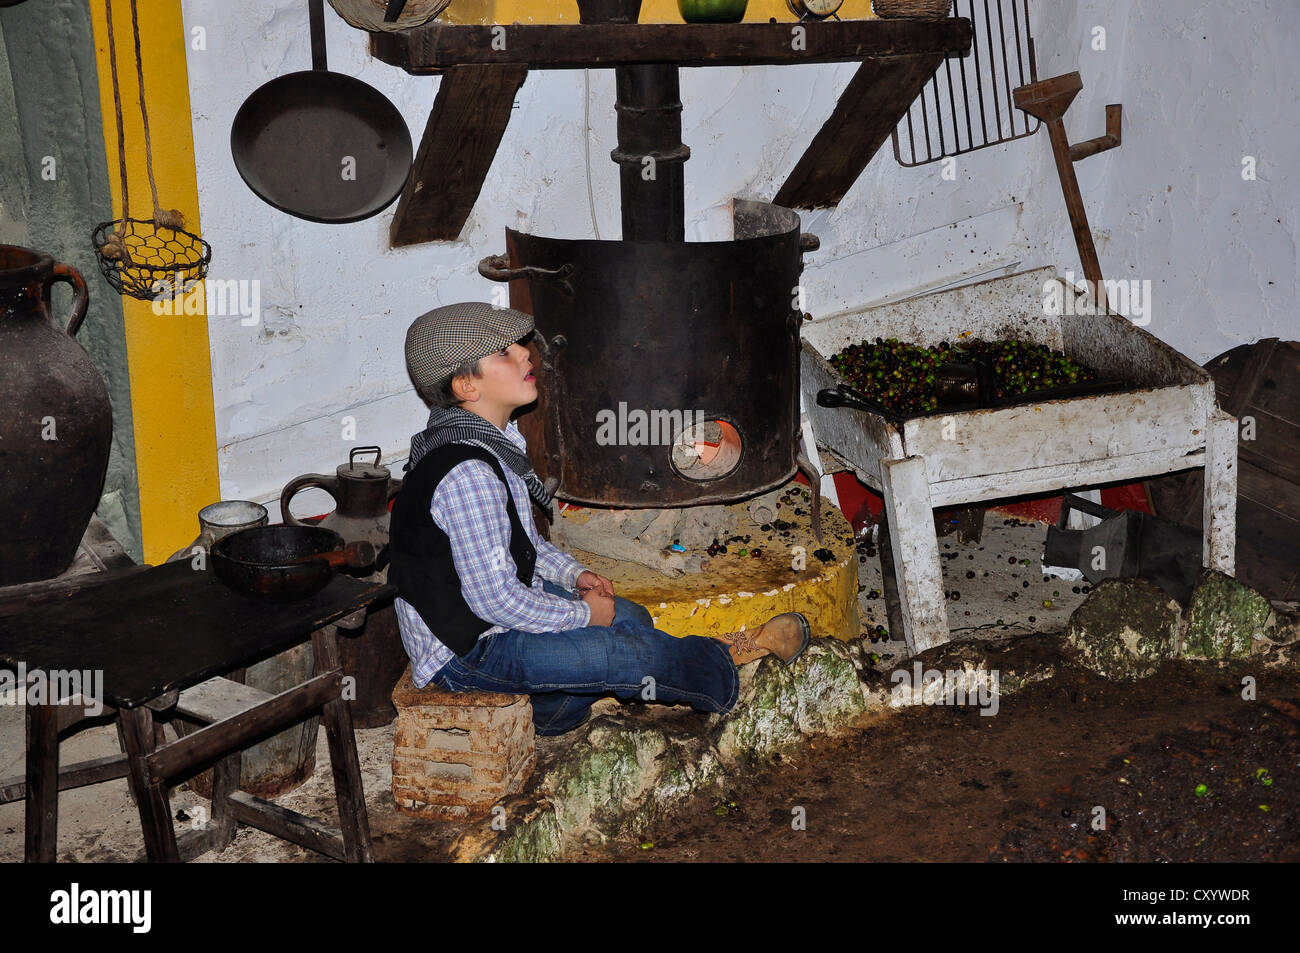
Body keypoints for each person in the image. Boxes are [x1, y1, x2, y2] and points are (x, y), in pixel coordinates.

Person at [389, 301, 811, 736]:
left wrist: (576, 576)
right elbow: (494, 601)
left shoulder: (488, 443)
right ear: (465, 385)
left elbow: (526, 548)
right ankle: (729, 663)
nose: (524, 354)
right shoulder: (468, 472)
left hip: (492, 622)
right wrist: (581, 617)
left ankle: (554, 714)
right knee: (620, 653)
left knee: (631, 619)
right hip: (468, 656)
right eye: (503, 353)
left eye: (518, 345)